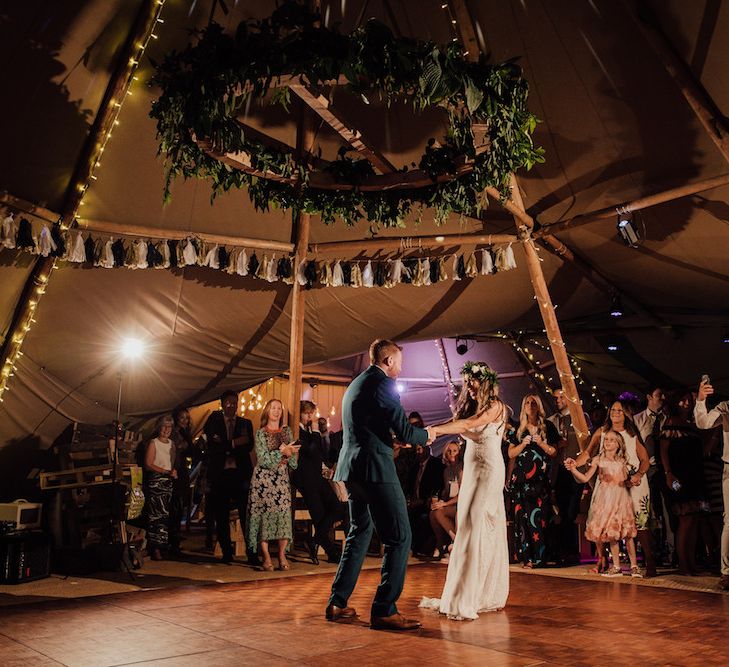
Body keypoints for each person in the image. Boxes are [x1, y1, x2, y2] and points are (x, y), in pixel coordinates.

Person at [327, 339, 432, 631]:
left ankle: (338, 602)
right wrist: (426, 435)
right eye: (399, 362)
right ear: (387, 361)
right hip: (375, 469)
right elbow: (406, 430)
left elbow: (368, 426)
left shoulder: (357, 383)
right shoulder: (384, 385)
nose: (401, 367)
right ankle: (384, 609)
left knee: (359, 533)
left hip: (353, 468)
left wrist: (391, 438)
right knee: (400, 537)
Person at [420, 361, 509, 620]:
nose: (469, 386)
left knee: (479, 526)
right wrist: (431, 430)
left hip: (489, 470)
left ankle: (475, 593)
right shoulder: (473, 406)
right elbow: (457, 422)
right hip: (471, 469)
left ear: (487, 383)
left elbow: (468, 425)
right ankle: (465, 591)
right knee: (468, 526)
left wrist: (435, 430)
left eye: (474, 381)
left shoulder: (495, 407)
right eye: (467, 382)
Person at [574, 399, 657, 577]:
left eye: (620, 410)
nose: (615, 413)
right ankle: (606, 560)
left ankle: (648, 561)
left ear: (626, 413)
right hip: (609, 486)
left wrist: (638, 475)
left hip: (633, 483)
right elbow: (588, 453)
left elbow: (644, 460)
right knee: (605, 522)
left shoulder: (632, 434)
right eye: (613, 409)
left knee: (638, 522)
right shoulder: (602, 433)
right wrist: (576, 462)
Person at [565, 430, 640, 577]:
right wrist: (574, 469)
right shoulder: (599, 459)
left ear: (619, 444)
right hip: (606, 500)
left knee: (628, 534)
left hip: (621, 499)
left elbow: (626, 480)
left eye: (612, 440)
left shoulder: (622, 460)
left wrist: (632, 482)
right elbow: (586, 478)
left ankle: (634, 565)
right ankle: (616, 566)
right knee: (611, 535)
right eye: (606, 439)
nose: (608, 442)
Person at [202, 390, 257, 564]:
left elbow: (248, 446)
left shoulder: (245, 423)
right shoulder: (214, 422)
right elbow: (213, 445)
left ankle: (252, 553)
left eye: (235, 402)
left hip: (241, 474)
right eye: (228, 402)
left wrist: (226, 444)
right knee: (221, 515)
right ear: (222, 404)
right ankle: (227, 552)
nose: (232, 406)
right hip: (220, 474)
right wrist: (234, 443)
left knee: (246, 515)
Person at [246, 399, 299, 571]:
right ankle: (267, 556)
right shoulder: (261, 433)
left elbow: (293, 462)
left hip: (282, 480)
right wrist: (282, 453)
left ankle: (282, 554)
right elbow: (263, 460)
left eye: (279, 408)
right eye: (273, 408)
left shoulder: (287, 432)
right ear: (267, 411)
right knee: (264, 518)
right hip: (264, 482)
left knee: (283, 517)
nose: (276, 411)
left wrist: (290, 455)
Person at [508, 394, 559, 568]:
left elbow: (554, 452)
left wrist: (542, 443)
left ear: (539, 406)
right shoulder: (518, 428)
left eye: (534, 403)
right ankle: (527, 557)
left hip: (539, 481)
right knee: (522, 519)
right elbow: (511, 453)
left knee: (539, 518)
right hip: (521, 480)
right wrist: (523, 444)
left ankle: (540, 557)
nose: (530, 405)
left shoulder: (548, 426)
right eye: (527, 403)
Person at [659, 389, 706, 576]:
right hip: (678, 476)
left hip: (694, 476)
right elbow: (663, 450)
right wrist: (668, 473)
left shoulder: (692, 424)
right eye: (682, 400)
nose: (686, 403)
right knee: (684, 519)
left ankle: (691, 562)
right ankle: (683, 563)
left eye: (688, 400)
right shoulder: (671, 422)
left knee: (694, 519)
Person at [294, 401, 345, 564]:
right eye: (306, 412)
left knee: (338, 508)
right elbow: (309, 450)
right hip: (306, 479)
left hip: (318, 476)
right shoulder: (298, 431)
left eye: (311, 412)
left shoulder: (310, 430)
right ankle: (331, 553)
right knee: (319, 516)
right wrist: (316, 432)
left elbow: (322, 453)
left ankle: (315, 540)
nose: (310, 416)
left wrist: (321, 434)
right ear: (300, 413)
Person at [548, 388, 592, 565]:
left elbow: (588, 444)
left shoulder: (581, 417)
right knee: (562, 511)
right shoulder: (551, 421)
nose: (558, 400)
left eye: (560, 397)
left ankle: (572, 552)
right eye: (555, 398)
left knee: (571, 512)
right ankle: (563, 552)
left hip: (576, 470)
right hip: (559, 471)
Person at [694, 378, 729, 590]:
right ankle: (726, 572)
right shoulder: (726, 407)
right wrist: (700, 399)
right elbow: (703, 423)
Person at [634, 386, 673, 564]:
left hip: (665, 469)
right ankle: (651, 551)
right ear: (649, 397)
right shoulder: (637, 419)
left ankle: (672, 550)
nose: (662, 398)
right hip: (646, 470)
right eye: (659, 395)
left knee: (668, 509)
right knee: (648, 510)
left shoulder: (667, 419)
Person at [143, 414, 177, 561]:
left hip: (168, 482)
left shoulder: (172, 444)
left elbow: (172, 462)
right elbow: (149, 463)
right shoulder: (154, 443)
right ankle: (155, 547)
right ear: (159, 427)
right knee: (156, 515)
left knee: (165, 515)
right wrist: (164, 471)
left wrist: (173, 472)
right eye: (164, 426)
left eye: (169, 427)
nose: (166, 429)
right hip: (157, 482)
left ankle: (163, 545)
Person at [406, 441, 444, 556]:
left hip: (427, 503)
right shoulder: (414, 467)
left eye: (421, 449)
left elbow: (437, 488)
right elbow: (409, 487)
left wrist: (421, 501)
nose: (419, 452)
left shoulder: (436, 465)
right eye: (417, 450)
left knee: (421, 518)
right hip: (414, 503)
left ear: (428, 448)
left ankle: (416, 548)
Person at [430, 440, 463, 560]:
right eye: (449, 451)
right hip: (450, 503)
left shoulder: (462, 469)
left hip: (461, 505)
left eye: (455, 451)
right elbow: (446, 491)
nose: (452, 454)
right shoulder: (446, 471)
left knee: (438, 512)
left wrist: (445, 504)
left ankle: (457, 541)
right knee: (433, 513)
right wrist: (438, 501)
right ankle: (441, 544)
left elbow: (463, 494)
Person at [169, 407, 194, 557]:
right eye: (182, 417)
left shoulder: (186, 434)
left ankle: (176, 539)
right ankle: (172, 541)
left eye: (186, 418)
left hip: (183, 471)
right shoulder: (173, 433)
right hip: (174, 470)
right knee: (174, 506)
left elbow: (191, 451)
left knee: (180, 506)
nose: (184, 420)